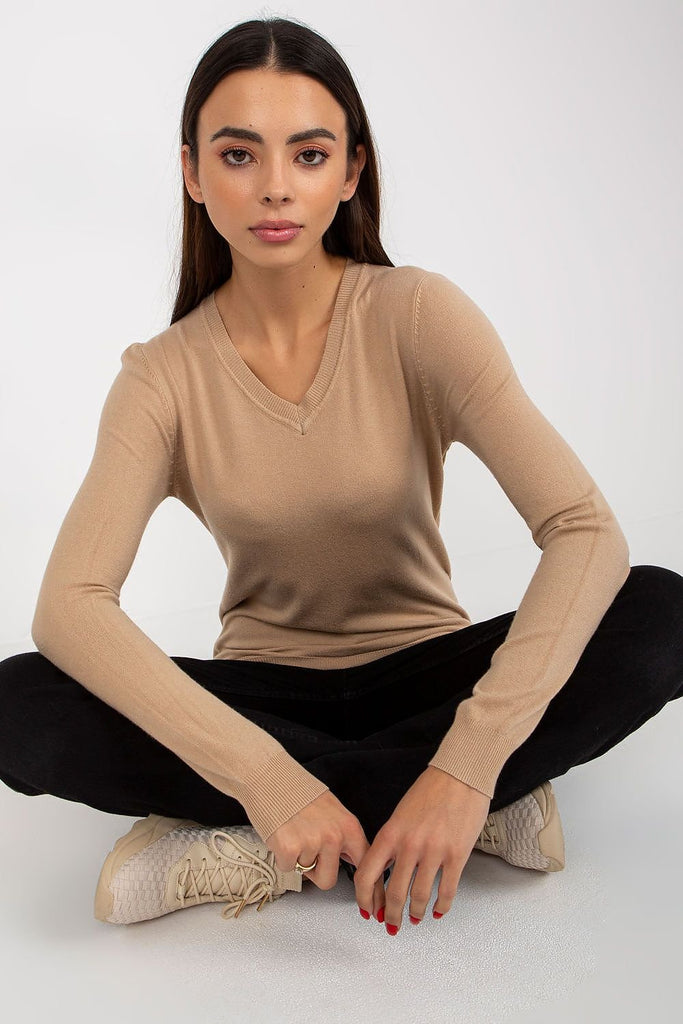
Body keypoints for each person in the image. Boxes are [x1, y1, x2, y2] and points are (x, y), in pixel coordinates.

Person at [1, 15, 682, 936]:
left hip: (432, 677)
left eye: (309, 154)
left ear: (352, 170)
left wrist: (465, 763)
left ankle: (314, 831)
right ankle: (444, 809)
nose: (275, 186)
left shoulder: (416, 315)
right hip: (266, 698)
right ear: (192, 173)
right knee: (18, 703)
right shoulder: (160, 378)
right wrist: (266, 777)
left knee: (660, 611)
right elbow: (69, 606)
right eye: (237, 155)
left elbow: (585, 530)